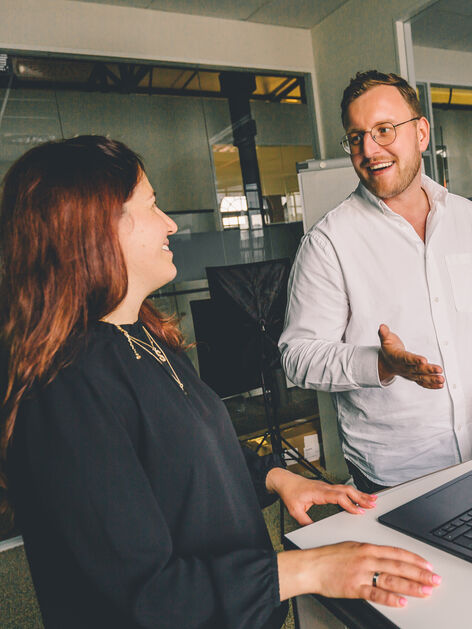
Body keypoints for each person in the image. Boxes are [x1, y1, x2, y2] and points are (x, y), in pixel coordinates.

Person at [0, 136, 440, 629]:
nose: (169, 224)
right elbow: (138, 597)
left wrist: (274, 476)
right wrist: (312, 568)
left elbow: (181, 462)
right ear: (94, 230)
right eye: (151, 206)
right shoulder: (65, 389)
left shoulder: (142, 337)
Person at [279, 69, 472, 493]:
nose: (369, 150)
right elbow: (298, 356)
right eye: (356, 137)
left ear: (421, 133)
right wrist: (380, 364)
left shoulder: (467, 219)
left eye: (384, 130)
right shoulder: (329, 242)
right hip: (397, 475)